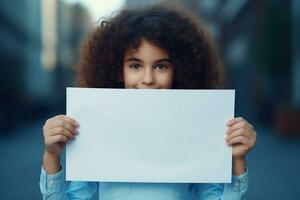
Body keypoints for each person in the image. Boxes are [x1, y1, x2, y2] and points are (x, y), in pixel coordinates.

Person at [39, 4, 257, 200]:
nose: (148, 79)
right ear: (118, 70)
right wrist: (51, 155)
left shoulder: (192, 132)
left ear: (179, 70)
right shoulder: (99, 130)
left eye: (161, 66)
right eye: (135, 66)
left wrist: (237, 160)